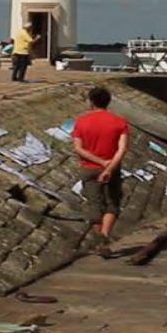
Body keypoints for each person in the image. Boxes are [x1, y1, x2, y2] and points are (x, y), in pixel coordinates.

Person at [71, 86, 130, 258]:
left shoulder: (81, 121)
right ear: (108, 102)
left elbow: (78, 148)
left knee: (95, 204)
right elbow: (122, 149)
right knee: (112, 203)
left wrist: (100, 162)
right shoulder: (120, 122)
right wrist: (109, 167)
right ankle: (104, 235)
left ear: (91, 101)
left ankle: (100, 240)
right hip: (113, 168)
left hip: (89, 168)